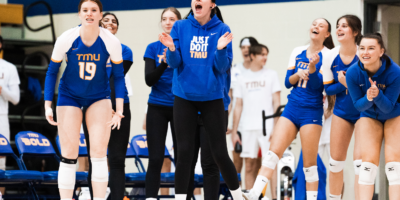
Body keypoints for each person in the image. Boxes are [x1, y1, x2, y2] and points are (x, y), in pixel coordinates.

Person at [243, 18, 334, 200]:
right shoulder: (298, 51)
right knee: (272, 153)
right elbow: (287, 82)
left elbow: (319, 87)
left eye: (321, 25)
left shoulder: (330, 55)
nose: (315, 26)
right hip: (292, 107)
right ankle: (255, 193)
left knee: (309, 165)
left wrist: (313, 69)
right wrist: (297, 75)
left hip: (312, 110)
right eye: (314, 23)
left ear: (327, 34)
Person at [159, 0, 243, 199]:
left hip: (212, 98)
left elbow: (222, 68)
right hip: (184, 98)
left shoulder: (222, 29)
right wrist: (171, 48)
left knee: (219, 155)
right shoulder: (180, 26)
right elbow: (175, 63)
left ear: (212, 4)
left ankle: (239, 196)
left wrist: (221, 49)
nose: (197, 1)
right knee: (185, 154)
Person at [43, 1, 125, 200]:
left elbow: (119, 76)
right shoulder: (67, 38)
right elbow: (52, 71)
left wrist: (119, 110)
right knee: (69, 154)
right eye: (85, 10)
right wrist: (47, 104)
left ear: (100, 15)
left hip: (99, 97)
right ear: (79, 14)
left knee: (98, 154)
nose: (89, 14)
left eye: (94, 10)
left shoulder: (111, 41)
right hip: (69, 96)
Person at [81, 12, 133, 200]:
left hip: (119, 109)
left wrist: (111, 106)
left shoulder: (124, 50)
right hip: (92, 107)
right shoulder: (85, 48)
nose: (111, 23)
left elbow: (113, 79)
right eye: (107, 20)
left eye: (114, 21)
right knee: (95, 158)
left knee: (117, 159)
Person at [346, 33, 400, 200]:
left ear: (381, 51)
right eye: (362, 48)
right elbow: (358, 105)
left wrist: (377, 95)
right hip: (369, 115)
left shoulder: (395, 72)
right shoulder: (352, 73)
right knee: (367, 166)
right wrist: (369, 97)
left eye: (371, 48)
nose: (365, 52)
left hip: (393, 115)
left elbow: (388, 107)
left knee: (393, 165)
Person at [322, 15, 362, 200]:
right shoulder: (330, 56)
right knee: (335, 163)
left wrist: (349, 82)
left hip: (365, 112)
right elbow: (328, 88)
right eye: (338, 26)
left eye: (344, 26)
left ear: (355, 32)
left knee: (361, 164)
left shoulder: (364, 54)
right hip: (342, 112)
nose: (339, 29)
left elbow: (371, 85)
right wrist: (344, 84)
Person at [231, 44, 281, 190]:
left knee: (271, 165)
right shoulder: (241, 78)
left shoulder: (271, 74)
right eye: (262, 54)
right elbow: (238, 105)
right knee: (249, 166)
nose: (265, 57)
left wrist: (276, 127)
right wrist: (234, 131)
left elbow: (276, 102)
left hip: (268, 128)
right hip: (247, 127)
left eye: (266, 54)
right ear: (252, 56)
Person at [144, 7, 181, 200]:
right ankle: (150, 197)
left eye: (172, 19)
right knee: (156, 158)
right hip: (157, 106)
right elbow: (149, 80)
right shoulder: (152, 47)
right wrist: (164, 63)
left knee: (183, 157)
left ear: (179, 22)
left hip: (180, 107)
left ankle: (184, 196)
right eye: (164, 19)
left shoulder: (184, 46)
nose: (168, 22)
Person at [229, 36, 259, 174]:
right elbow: (229, 99)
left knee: (252, 165)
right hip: (239, 125)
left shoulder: (260, 72)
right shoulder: (234, 70)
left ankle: (252, 195)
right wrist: (224, 121)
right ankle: (235, 195)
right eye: (243, 48)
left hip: (255, 125)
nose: (246, 50)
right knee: (236, 164)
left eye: (248, 47)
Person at [0, 34, 21, 196]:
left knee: (1, 162)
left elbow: (15, 99)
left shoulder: (8, 68)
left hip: (1, 117)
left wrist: (2, 90)